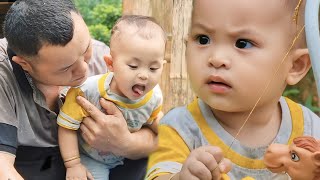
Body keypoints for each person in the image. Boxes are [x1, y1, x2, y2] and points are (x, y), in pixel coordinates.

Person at [146, 0, 320, 179]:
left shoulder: (312, 130)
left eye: (242, 43)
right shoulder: (180, 128)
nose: (216, 58)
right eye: (203, 39)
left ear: (295, 66)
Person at [0, 0, 157, 179]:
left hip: (107, 159)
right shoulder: (3, 75)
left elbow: (160, 136)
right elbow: (3, 168)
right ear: (24, 64)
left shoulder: (109, 59)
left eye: (86, 49)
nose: (84, 69)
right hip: (33, 162)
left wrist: (126, 143)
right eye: (66, 68)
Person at [57, 15, 166, 180]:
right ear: (111, 64)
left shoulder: (153, 96)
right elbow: (66, 126)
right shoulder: (87, 91)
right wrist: (73, 164)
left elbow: (154, 118)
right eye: (133, 66)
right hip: (92, 158)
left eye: (153, 68)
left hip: (129, 158)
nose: (144, 75)